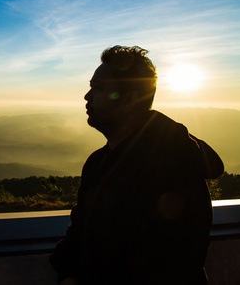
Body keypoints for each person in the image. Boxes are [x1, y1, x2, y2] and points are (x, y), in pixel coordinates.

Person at [50, 46, 224, 285]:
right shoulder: (97, 163)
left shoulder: (173, 166)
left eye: (98, 88)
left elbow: (170, 264)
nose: (87, 96)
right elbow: (78, 234)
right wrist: (69, 276)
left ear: (130, 100)